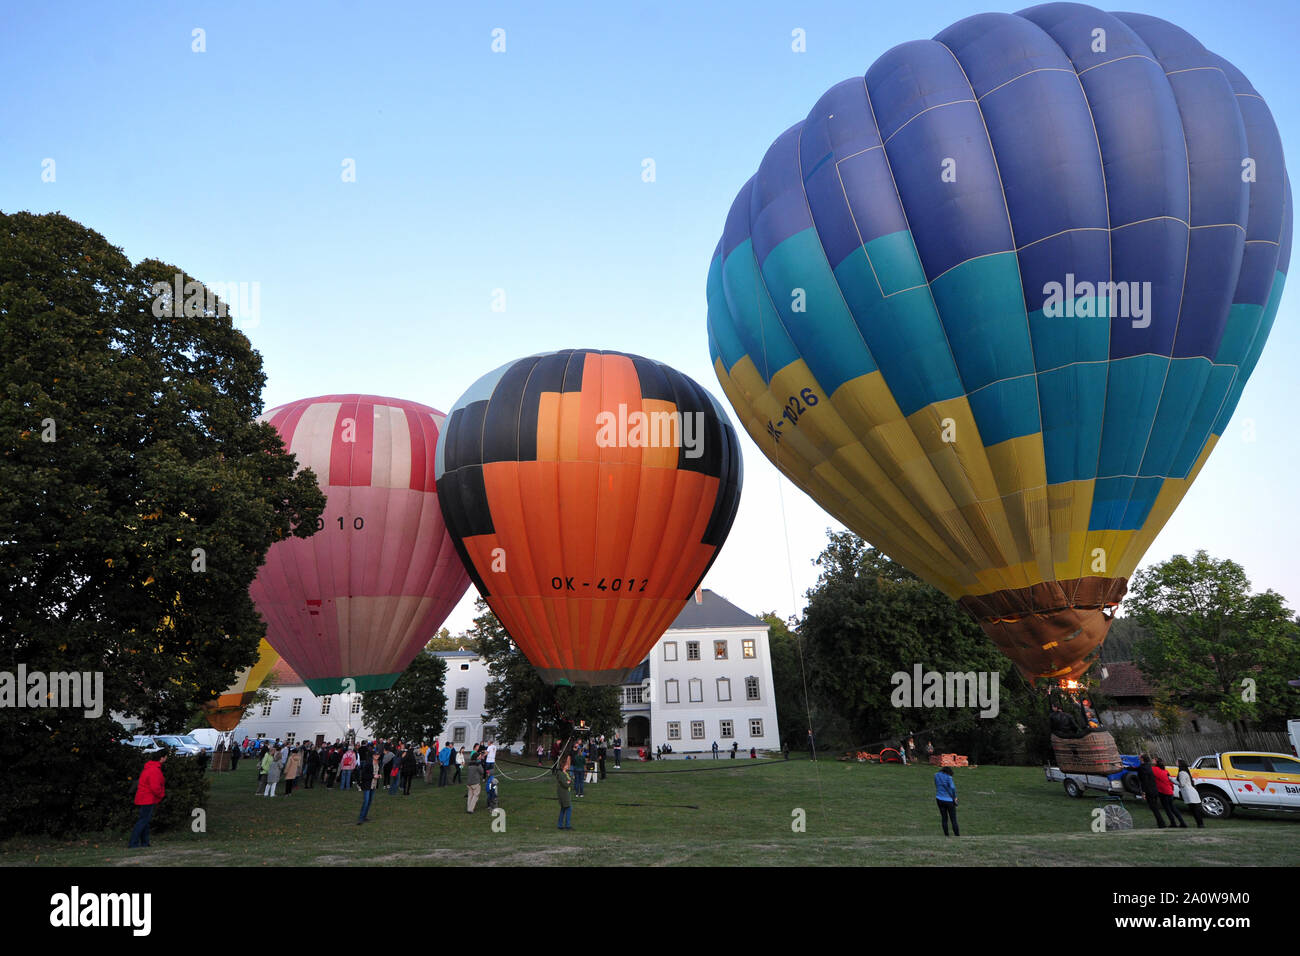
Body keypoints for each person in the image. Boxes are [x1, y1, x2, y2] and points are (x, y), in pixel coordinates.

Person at [128, 753, 167, 848]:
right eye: (165, 757)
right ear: (161, 758)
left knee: (144, 820)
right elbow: (155, 786)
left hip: (143, 797)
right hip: (148, 798)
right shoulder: (154, 770)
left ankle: (145, 842)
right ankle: (133, 843)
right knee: (143, 820)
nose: (166, 759)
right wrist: (161, 794)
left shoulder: (149, 768)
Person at [1153, 757, 1186, 828]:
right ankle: (1182, 822)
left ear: (1156, 762)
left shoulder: (1154, 769)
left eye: (1154, 760)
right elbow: (1170, 781)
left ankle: (1173, 823)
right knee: (1173, 808)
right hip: (1169, 791)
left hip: (1163, 792)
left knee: (1167, 809)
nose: (1152, 760)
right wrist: (1172, 789)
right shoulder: (1166, 771)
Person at [1137, 754, 1167, 828]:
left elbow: (1144, 781)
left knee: (1154, 808)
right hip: (1154, 789)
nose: (1138, 757)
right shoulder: (1148, 766)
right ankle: (1161, 823)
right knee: (1155, 808)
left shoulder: (1142, 768)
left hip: (1149, 790)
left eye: (1140, 757)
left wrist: (1143, 792)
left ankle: (1161, 824)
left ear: (1142, 759)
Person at [1176, 759, 1205, 828]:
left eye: (1177, 762)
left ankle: (1200, 824)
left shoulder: (1182, 772)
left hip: (1189, 793)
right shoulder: (1185, 771)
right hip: (1191, 792)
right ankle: (1200, 824)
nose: (1176, 763)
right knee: (1195, 809)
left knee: (1194, 809)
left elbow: (1182, 784)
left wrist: (1171, 780)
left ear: (1180, 764)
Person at [934, 765, 959, 836]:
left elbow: (936, 785)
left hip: (939, 798)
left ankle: (946, 835)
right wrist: (955, 797)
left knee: (944, 818)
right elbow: (952, 788)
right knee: (953, 819)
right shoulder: (949, 777)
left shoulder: (936, 775)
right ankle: (957, 835)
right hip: (949, 800)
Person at [357, 749, 379, 824]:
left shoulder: (378, 763)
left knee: (369, 801)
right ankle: (361, 818)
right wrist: (373, 776)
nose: (377, 756)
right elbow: (364, 775)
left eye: (378, 755)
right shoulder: (369, 763)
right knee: (366, 801)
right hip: (367, 784)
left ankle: (364, 816)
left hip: (373, 785)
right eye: (376, 755)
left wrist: (378, 775)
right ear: (372, 756)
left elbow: (376, 772)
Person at [555, 755, 573, 830]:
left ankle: (560, 825)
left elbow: (570, 781)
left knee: (563, 809)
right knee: (569, 808)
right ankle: (567, 825)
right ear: (563, 766)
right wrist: (569, 782)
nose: (568, 766)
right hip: (563, 794)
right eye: (566, 765)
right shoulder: (561, 774)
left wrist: (569, 782)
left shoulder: (566, 773)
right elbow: (565, 784)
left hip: (566, 792)